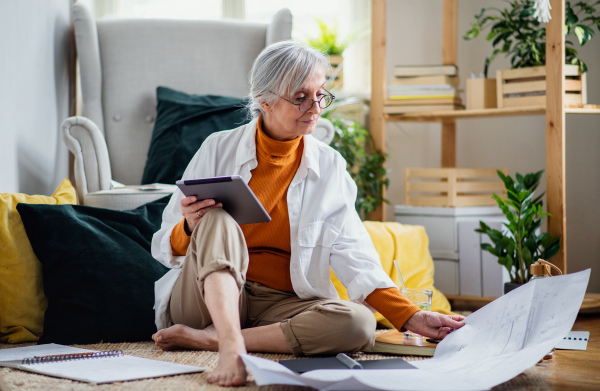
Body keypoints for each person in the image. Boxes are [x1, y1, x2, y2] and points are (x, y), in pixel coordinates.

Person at [151, 41, 465, 387]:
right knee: (217, 218)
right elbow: (163, 245)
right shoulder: (217, 148)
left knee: (358, 323)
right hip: (205, 298)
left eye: (320, 94)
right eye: (300, 97)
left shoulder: (330, 166)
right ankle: (228, 341)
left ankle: (212, 339)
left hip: (283, 304)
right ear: (265, 101)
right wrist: (192, 226)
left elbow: (354, 253)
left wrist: (411, 317)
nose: (315, 107)